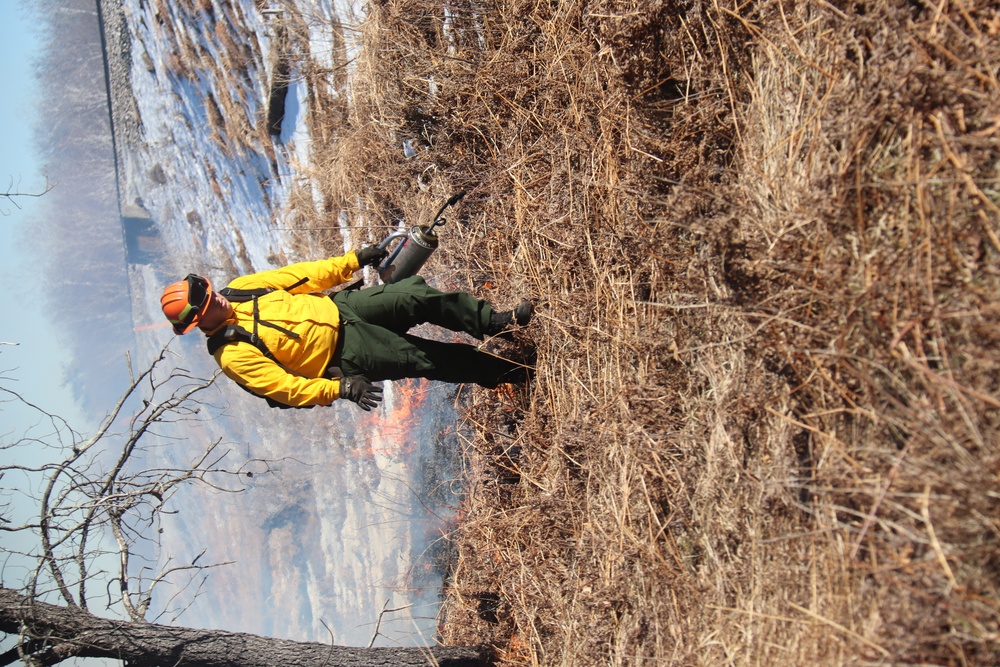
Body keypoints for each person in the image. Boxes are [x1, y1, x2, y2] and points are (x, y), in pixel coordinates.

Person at [159, 246, 533, 411]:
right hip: (346, 354)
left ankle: (498, 322)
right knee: (429, 358)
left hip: (342, 307)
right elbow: (287, 389)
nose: (217, 300)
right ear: (198, 323)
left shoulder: (239, 289)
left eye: (210, 292)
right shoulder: (233, 355)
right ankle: (518, 373)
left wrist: (351, 262)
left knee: (412, 294)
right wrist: (339, 388)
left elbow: (298, 276)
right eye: (208, 305)